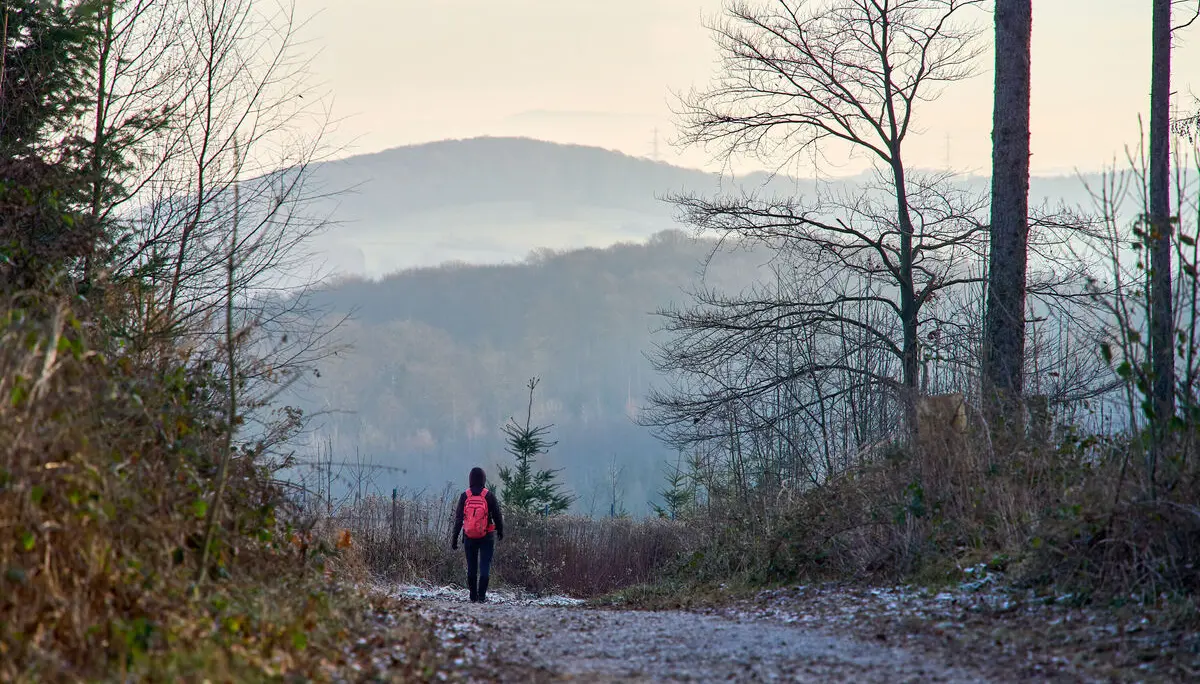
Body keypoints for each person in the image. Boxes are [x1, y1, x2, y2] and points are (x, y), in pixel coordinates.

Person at [451, 467, 504, 602]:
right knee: (485, 567)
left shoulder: (465, 495)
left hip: (469, 536)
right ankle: (481, 597)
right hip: (487, 535)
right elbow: (497, 515)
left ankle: (472, 596)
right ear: (483, 479)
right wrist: (500, 531)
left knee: (471, 568)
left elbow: (458, 520)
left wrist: (455, 538)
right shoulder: (489, 495)